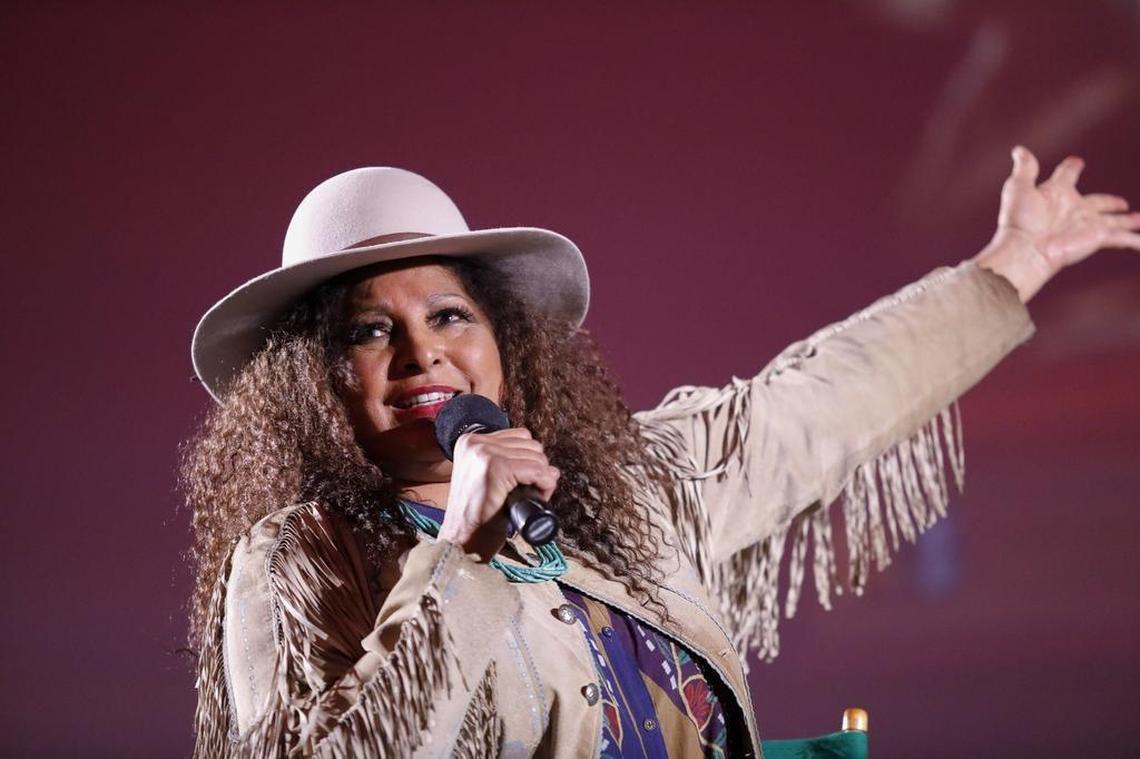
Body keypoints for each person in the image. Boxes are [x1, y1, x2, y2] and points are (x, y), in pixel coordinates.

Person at [183, 150, 1138, 758]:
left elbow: (811, 408)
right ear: (316, 384)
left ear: (503, 341)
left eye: (448, 315)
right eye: (365, 331)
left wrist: (1012, 266)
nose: (421, 350)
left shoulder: (619, 489)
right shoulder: (302, 556)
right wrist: (460, 558)